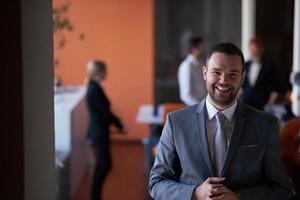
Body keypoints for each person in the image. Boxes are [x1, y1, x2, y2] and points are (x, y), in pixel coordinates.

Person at [149, 43, 294, 200]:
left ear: (243, 77)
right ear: (204, 73)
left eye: (232, 74)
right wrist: (194, 193)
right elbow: (157, 183)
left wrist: (239, 198)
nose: (223, 80)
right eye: (216, 72)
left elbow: (282, 190)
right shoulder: (176, 122)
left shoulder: (266, 124)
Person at [85, 60, 125, 200]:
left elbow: (105, 111)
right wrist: (119, 124)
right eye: (105, 70)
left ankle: (95, 195)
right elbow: (105, 113)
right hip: (98, 132)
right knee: (104, 164)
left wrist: (118, 123)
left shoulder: (94, 87)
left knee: (103, 164)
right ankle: (95, 196)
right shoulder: (94, 89)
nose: (106, 73)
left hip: (99, 131)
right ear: (99, 72)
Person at [241, 38, 279, 110]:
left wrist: (269, 105)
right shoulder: (245, 65)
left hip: (263, 105)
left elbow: (274, 88)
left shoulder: (269, 66)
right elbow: (242, 86)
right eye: (250, 48)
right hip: (246, 103)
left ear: (261, 49)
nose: (252, 51)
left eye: (254, 48)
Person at [178, 36, 207, 105]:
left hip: (204, 104)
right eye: (201, 47)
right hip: (194, 107)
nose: (203, 49)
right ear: (194, 49)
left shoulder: (202, 63)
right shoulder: (186, 66)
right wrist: (199, 107)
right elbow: (186, 95)